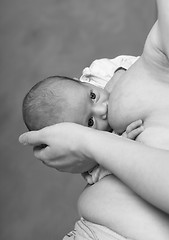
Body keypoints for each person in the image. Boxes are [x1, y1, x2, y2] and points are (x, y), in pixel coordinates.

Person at [19, 0, 169, 239]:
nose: (101, 110)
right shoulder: (93, 163)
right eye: (89, 123)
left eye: (92, 95)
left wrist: (88, 141)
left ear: (89, 82)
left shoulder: (108, 76)